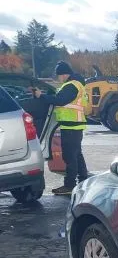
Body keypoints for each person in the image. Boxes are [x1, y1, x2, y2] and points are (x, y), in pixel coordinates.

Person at [33, 61, 89, 195]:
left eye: (58, 76)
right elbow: (60, 98)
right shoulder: (75, 84)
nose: (58, 79)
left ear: (63, 74)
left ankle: (69, 186)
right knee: (76, 155)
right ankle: (83, 181)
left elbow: (60, 100)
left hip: (71, 126)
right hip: (74, 125)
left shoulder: (71, 86)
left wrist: (41, 96)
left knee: (70, 156)